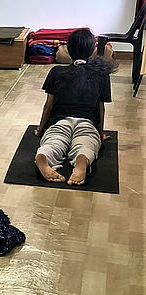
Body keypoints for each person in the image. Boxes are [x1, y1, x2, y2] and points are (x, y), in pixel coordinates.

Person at [35, 28, 114, 186]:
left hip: (60, 122)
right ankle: (82, 161)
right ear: (92, 50)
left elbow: (48, 107)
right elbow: (101, 110)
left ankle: (43, 157)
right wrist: (100, 134)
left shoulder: (56, 71)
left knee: (53, 142)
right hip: (87, 123)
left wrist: (40, 129)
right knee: (87, 144)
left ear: (69, 50)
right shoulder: (101, 74)